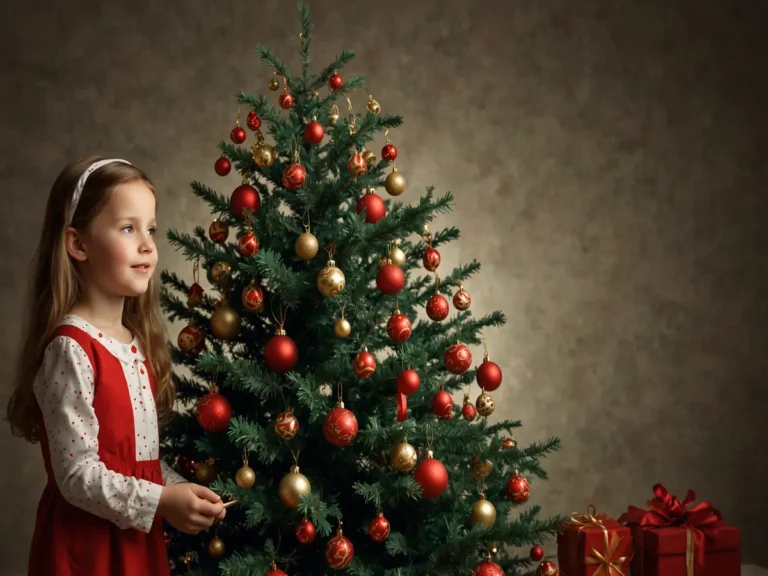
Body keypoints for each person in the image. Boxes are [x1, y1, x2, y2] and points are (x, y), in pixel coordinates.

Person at [6, 156, 226, 575]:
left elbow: (139, 461)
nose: (147, 244)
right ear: (79, 244)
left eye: (151, 229)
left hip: (135, 543)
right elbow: (78, 476)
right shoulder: (70, 349)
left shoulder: (134, 343)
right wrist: (161, 502)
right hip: (87, 552)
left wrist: (180, 491)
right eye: (128, 228)